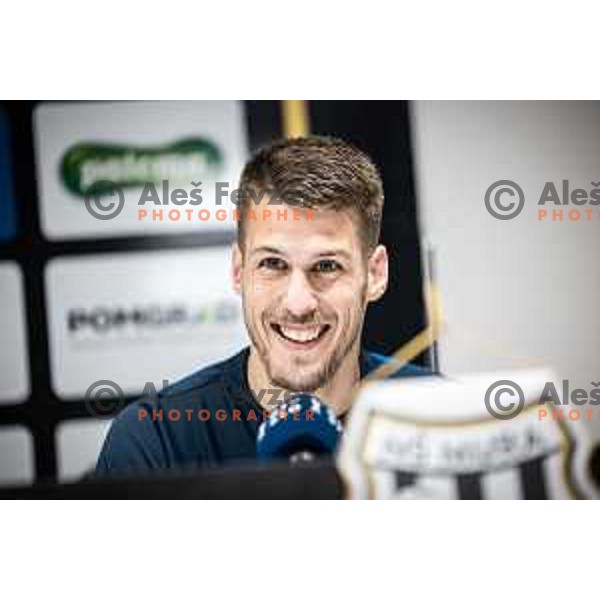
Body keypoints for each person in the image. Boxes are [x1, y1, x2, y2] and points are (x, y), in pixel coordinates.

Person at [96, 135, 431, 475]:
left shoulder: (447, 420)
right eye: (273, 264)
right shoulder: (157, 439)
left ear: (375, 274)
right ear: (239, 270)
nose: (298, 304)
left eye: (327, 266)